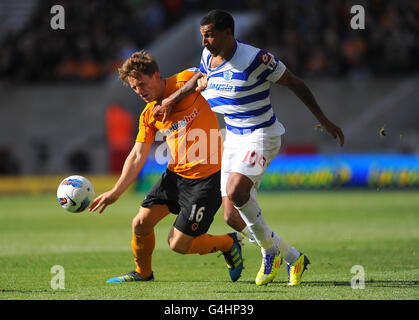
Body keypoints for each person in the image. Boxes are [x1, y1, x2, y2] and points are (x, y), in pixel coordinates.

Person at [152, 10, 344, 286]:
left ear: (228, 33)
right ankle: (294, 258)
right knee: (231, 216)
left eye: (209, 35)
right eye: (202, 35)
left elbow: (295, 83)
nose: (204, 41)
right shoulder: (209, 56)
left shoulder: (257, 59)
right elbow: (199, 77)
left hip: (261, 134)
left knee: (236, 190)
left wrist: (323, 120)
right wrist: (173, 98)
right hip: (233, 136)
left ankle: (269, 253)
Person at [88, 50, 244, 283]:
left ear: (157, 76)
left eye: (142, 84)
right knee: (140, 223)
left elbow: (204, 74)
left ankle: (229, 243)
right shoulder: (149, 113)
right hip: (175, 177)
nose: (139, 91)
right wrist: (116, 192)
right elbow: (137, 154)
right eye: (134, 88)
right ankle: (143, 273)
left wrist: (175, 98)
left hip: (208, 179)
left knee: (178, 244)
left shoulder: (183, 79)